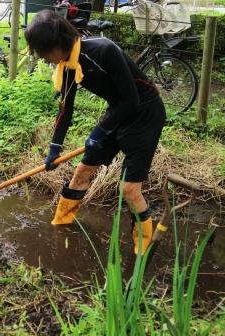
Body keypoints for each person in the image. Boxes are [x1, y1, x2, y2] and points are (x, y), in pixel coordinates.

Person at [24, 10, 166, 255]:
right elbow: (65, 110)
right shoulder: (67, 64)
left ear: (58, 44)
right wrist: (54, 148)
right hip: (119, 112)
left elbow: (132, 100)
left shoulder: (103, 50)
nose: (46, 59)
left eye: (46, 53)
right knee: (81, 173)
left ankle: (143, 250)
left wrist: (99, 131)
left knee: (129, 190)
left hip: (145, 114)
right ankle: (60, 227)